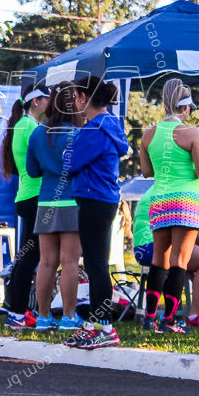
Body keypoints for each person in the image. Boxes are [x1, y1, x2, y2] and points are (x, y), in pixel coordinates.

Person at [61, 75, 129, 349]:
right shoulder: (110, 125)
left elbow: (70, 162)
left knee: (96, 264)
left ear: (83, 98)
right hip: (103, 200)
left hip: (93, 199)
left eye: (76, 96)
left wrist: (70, 150)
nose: (73, 102)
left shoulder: (93, 129)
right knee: (95, 262)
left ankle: (105, 327)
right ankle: (94, 325)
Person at [138, 79, 199, 334]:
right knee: (180, 260)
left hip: (160, 200)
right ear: (186, 108)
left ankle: (149, 318)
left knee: (159, 260)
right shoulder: (192, 133)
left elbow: (146, 171)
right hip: (187, 201)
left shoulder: (149, 133)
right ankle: (170, 320)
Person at [25, 83, 83, 331]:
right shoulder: (80, 134)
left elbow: (32, 171)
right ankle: (69, 317)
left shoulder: (38, 133)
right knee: (70, 262)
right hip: (72, 201)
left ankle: (43, 317)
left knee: (47, 262)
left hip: (46, 200)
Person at [133, 184, 199, 328]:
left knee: (179, 259)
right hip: (159, 244)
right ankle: (195, 314)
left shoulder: (159, 184)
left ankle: (150, 319)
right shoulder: (196, 187)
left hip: (141, 247)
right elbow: (195, 226)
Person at [0, 82, 49, 329]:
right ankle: (18, 311)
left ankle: (17, 310)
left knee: (26, 257)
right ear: (36, 101)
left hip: (28, 196)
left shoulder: (24, 125)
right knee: (30, 257)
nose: (51, 103)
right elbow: (43, 161)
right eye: (47, 98)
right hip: (35, 197)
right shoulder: (29, 126)